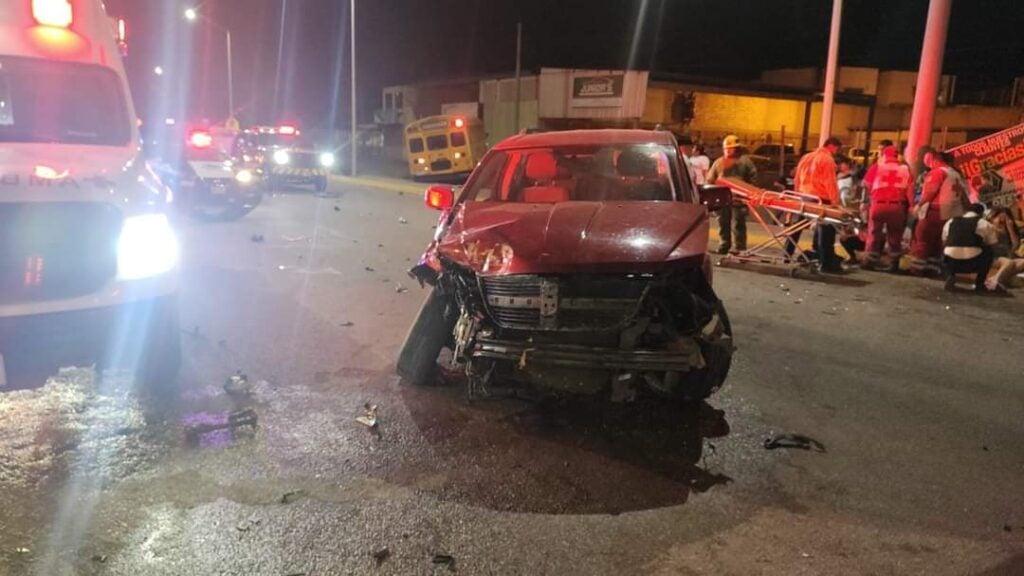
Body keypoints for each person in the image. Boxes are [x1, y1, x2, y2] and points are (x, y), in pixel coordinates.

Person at [909, 150, 970, 276]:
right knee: (937, 242)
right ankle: (932, 268)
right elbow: (965, 196)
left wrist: (918, 206)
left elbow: (930, 191)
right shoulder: (956, 173)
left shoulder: (938, 172)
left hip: (935, 210)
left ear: (932, 158)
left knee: (923, 238)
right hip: (952, 212)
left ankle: (917, 268)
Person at [794, 136, 843, 272]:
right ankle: (826, 262)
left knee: (796, 226)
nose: (837, 152)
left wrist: (796, 194)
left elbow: (797, 177)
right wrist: (835, 202)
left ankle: (788, 251)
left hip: (805, 196)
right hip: (820, 198)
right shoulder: (827, 160)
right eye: (837, 149)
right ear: (832, 146)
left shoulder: (807, 157)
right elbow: (830, 182)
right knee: (826, 231)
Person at [862, 145, 913, 272]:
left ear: (884, 155)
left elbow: (866, 185)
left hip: (878, 205)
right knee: (895, 236)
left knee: (874, 234)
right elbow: (910, 191)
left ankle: (870, 262)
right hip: (897, 206)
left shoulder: (877, 167)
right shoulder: (906, 169)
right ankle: (894, 264)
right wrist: (911, 206)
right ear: (897, 156)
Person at [706, 135, 757, 254]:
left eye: (731, 148)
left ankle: (740, 248)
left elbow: (753, 178)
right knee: (723, 223)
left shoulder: (745, 162)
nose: (728, 151)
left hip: (738, 200)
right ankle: (724, 245)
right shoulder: (719, 163)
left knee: (738, 224)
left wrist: (747, 193)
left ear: (737, 149)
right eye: (726, 149)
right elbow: (710, 179)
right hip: (722, 199)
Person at [942, 203, 999, 292]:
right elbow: (993, 243)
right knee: (989, 251)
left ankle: (950, 275)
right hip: (973, 263)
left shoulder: (951, 221)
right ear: (981, 213)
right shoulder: (984, 224)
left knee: (947, 247)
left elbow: (944, 240)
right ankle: (979, 283)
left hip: (950, 261)